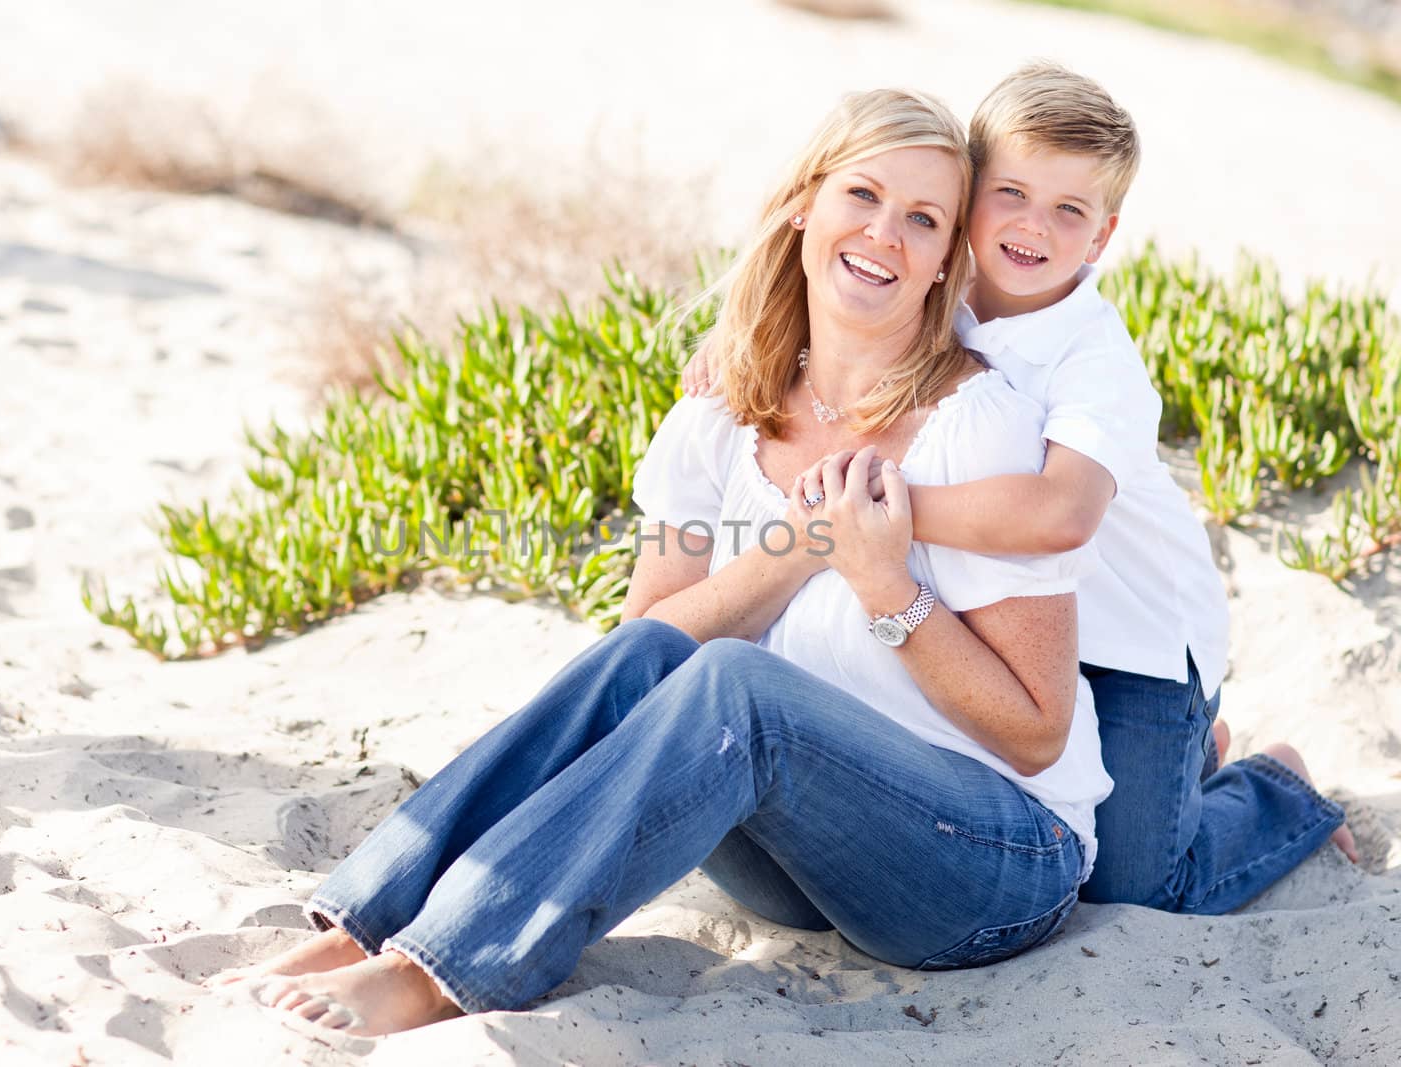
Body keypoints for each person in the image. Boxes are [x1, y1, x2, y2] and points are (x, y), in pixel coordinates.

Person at [205, 88, 1113, 1036]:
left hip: (991, 865)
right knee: (646, 660)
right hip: (801, 861)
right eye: (863, 196)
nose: (884, 235)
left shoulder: (979, 429)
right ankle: (366, 926)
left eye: (923, 220)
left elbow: (1037, 735)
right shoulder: (717, 416)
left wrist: (888, 584)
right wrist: (799, 549)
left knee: (738, 685)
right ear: (806, 203)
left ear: (944, 265)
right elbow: (646, 649)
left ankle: (438, 973)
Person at [685, 62, 1356, 914]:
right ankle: (1189, 764)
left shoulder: (1094, 361)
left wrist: (870, 513)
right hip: (1029, 626)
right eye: (1011, 193)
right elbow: (832, 301)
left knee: (1138, 887)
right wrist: (737, 339)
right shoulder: (942, 291)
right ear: (968, 200)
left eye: (1069, 211)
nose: (1033, 227)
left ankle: (1272, 786)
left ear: (1103, 236)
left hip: (1134, 646)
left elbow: (1061, 512)